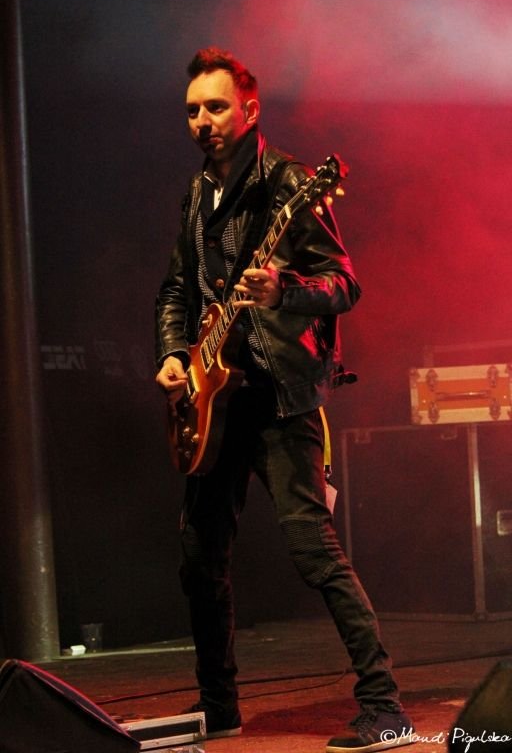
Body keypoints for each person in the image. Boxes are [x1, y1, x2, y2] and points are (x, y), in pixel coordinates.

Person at [155, 47, 415, 752]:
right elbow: (178, 289)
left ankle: (385, 706)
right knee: (199, 556)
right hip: (216, 400)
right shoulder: (197, 193)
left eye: (215, 107)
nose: (202, 120)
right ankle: (219, 707)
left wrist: (283, 290)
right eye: (192, 110)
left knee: (313, 552)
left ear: (249, 110)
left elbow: (344, 284)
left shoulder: (290, 183)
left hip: (279, 396)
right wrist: (175, 355)